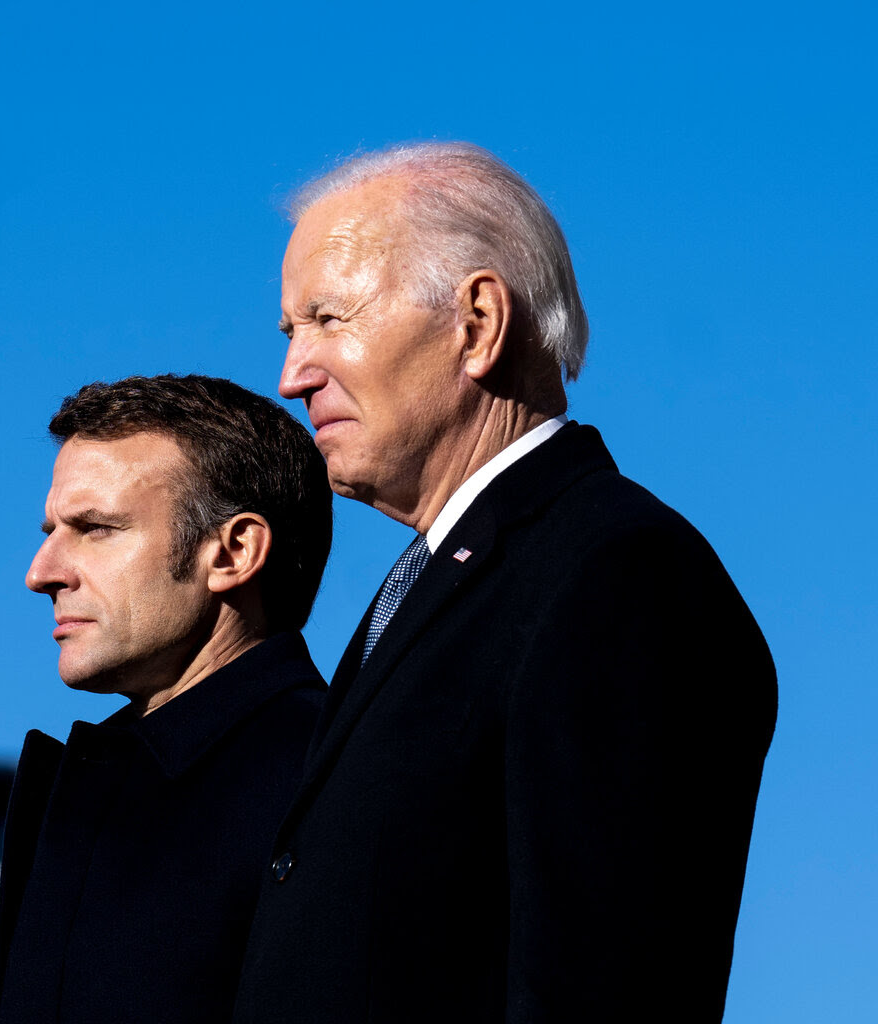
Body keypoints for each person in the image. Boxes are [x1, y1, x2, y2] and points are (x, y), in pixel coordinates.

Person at [233, 143, 778, 1023]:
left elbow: (608, 986)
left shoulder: (615, 574)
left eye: (329, 319)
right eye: (293, 332)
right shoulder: (434, 588)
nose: (292, 375)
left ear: (478, 322)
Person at [0, 374, 332, 1024]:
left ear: (232, 552)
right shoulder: (93, 788)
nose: (42, 573)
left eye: (95, 528)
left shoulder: (335, 786)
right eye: (51, 529)